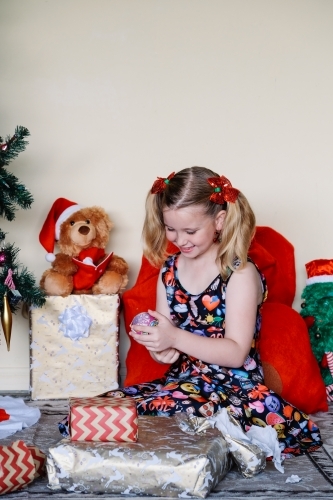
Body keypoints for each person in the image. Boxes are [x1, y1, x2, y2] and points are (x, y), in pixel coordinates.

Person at [59, 166, 322, 457]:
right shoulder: (169, 272)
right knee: (99, 410)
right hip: (183, 383)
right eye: (170, 229)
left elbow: (236, 352)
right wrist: (160, 348)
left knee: (168, 415)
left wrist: (174, 338)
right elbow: (164, 336)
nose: (179, 239)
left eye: (190, 231)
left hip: (233, 390)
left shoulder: (239, 273)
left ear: (219, 221)